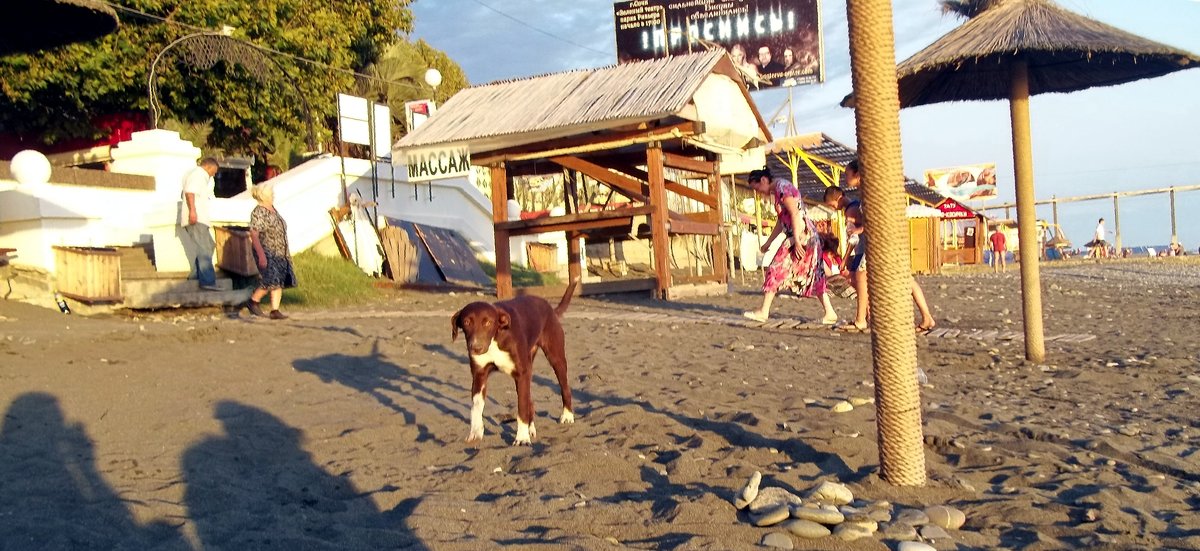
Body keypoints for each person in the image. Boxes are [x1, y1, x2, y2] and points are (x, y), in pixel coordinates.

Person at [823, 160, 936, 334]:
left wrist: (858, 229)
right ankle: (926, 317)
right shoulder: (868, 193)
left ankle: (861, 319)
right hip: (890, 241)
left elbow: (879, 219)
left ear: (858, 174)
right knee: (906, 279)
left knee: (860, 276)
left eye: (847, 174)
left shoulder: (869, 193)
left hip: (878, 242)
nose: (845, 178)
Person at [742, 168, 837, 325]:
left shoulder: (782, 188)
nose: (757, 192)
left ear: (764, 180)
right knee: (815, 272)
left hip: (801, 235)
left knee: (775, 267)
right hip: (803, 235)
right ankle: (830, 312)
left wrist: (797, 240)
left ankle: (764, 311)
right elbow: (782, 221)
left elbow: (794, 213)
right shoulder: (779, 191)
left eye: (756, 187)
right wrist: (769, 242)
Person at [245, 183, 298, 320]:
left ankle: (275, 310)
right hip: (267, 250)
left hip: (280, 250)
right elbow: (254, 234)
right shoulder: (258, 211)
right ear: (264, 195)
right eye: (271, 193)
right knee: (270, 279)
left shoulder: (273, 209)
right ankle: (253, 301)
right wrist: (261, 255)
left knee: (279, 279)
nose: (273, 195)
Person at [180, 157, 221, 291]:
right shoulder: (198, 174)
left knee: (209, 245)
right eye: (214, 171)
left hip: (201, 218)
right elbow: (190, 193)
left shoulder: (198, 175)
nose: (214, 174)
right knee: (204, 248)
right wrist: (193, 211)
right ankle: (207, 281)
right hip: (196, 218)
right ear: (209, 167)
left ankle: (196, 275)